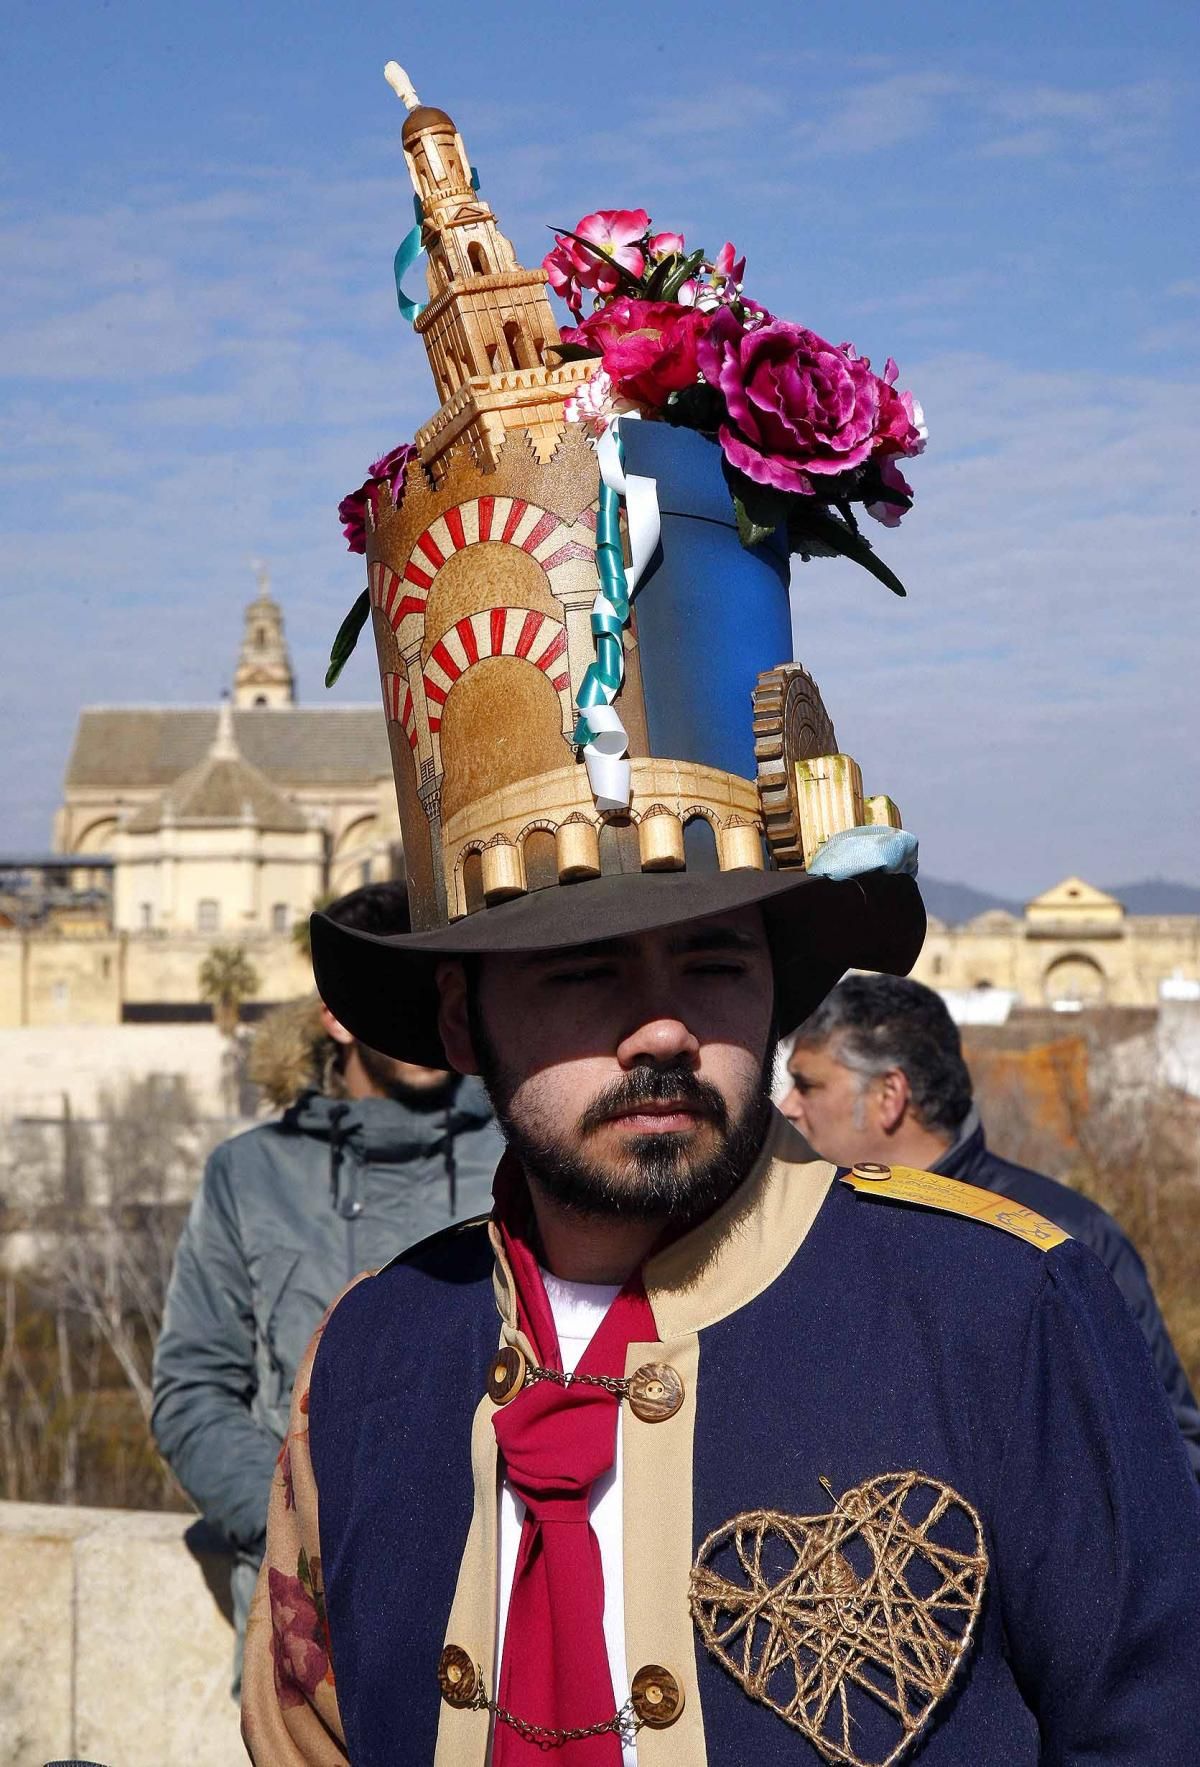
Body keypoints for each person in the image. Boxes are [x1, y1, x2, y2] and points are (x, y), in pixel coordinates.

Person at [241, 69, 1200, 1765]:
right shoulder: (373, 1357)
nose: (666, 1019)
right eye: (584, 970)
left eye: (709, 957)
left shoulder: (999, 1309)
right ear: (458, 1018)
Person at [151, 881, 504, 1694]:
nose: (423, 1017)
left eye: (441, 988)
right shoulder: (250, 1173)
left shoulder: (524, 1156)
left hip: (498, 1615)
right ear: (337, 1015)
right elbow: (193, 1390)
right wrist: (298, 1525)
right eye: (392, 994)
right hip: (307, 1648)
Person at [780, 973, 1200, 1476]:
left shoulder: (1060, 1237)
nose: (788, 1106)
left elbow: (1168, 1446)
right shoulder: (799, 1229)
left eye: (808, 1085)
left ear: (889, 1095)